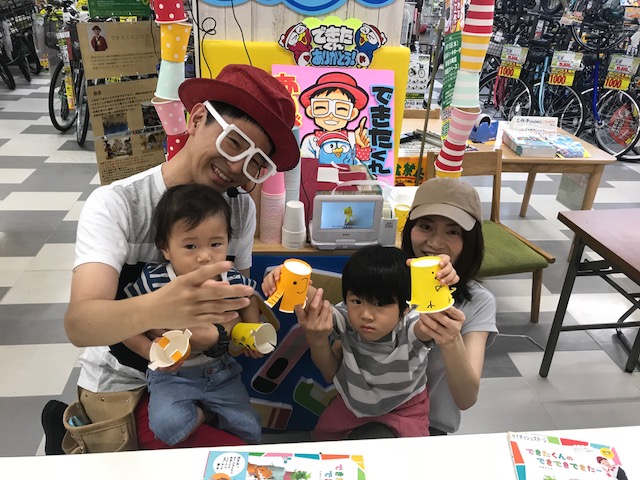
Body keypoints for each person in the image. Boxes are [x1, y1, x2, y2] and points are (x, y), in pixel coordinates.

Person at [60, 64, 299, 451]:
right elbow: (80, 326)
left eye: (256, 162)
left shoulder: (239, 209)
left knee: (243, 444)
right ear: (197, 118)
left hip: (208, 377)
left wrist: (232, 330)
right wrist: (162, 309)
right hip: (125, 386)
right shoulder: (119, 205)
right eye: (234, 142)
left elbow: (234, 301)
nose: (237, 168)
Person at [262, 245, 458, 440]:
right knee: (322, 440)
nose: (366, 315)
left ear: (406, 307)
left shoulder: (411, 326)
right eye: (357, 301)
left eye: (380, 304)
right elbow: (313, 299)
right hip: (352, 405)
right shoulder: (347, 318)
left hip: (404, 408)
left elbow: (432, 321)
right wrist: (285, 278)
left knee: (410, 454)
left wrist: (439, 278)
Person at [122, 184, 263, 445]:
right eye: (190, 246)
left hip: (220, 371)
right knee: (167, 427)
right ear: (165, 248)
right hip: (171, 376)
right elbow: (125, 322)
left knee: (251, 429)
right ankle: (206, 414)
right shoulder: (155, 280)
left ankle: (215, 416)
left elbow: (249, 298)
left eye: (216, 243)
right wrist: (149, 350)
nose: (205, 256)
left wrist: (253, 328)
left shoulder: (229, 278)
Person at [400, 177, 498, 435]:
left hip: (431, 425)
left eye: (453, 232)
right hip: (368, 412)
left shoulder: (478, 302)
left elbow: (466, 398)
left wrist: (450, 338)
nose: (435, 243)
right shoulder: (386, 277)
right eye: (426, 226)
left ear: (470, 241)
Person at [299, 71, 371, 162]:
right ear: (310, 111)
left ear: (352, 113)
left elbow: (363, 165)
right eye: (321, 107)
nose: (331, 115)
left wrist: (362, 147)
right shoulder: (310, 140)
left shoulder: (354, 138)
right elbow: (306, 165)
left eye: (341, 109)